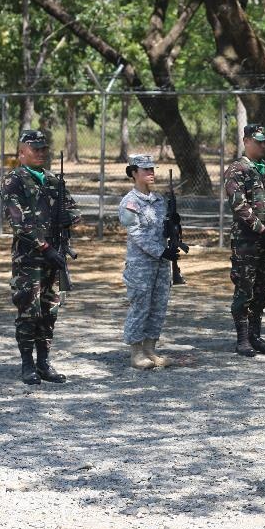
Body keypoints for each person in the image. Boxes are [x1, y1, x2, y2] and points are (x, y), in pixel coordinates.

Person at [2, 130, 81, 385]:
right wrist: (45, 247)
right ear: (21, 152)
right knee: (28, 310)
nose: (40, 153)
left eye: (43, 148)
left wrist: (68, 219)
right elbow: (19, 224)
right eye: (34, 149)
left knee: (50, 311)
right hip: (30, 260)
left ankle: (44, 362)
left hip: (55, 257)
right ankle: (27, 364)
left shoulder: (53, 180)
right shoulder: (14, 180)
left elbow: (73, 211)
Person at [223, 123, 265, 357]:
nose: (263, 145)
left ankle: (255, 336)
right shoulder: (237, 169)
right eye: (258, 141)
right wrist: (261, 229)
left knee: (263, 288)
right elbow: (239, 205)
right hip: (247, 240)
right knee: (244, 288)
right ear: (246, 141)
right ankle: (242, 339)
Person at [118, 154, 175, 370]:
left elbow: (163, 229)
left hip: (161, 264)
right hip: (141, 264)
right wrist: (161, 252)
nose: (151, 173)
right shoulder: (130, 203)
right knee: (140, 306)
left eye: (152, 169)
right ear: (134, 173)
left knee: (158, 306)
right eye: (145, 170)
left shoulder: (159, 200)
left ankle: (150, 349)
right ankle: (136, 352)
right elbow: (137, 235)